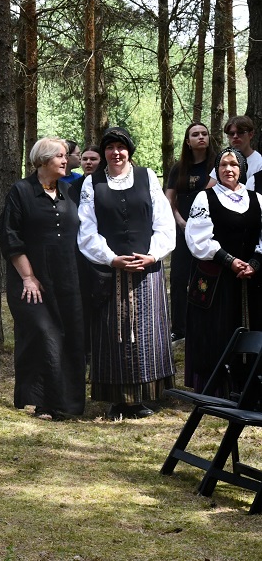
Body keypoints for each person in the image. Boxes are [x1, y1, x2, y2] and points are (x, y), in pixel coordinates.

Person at [77, 126, 175, 419]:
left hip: (147, 269)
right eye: (110, 147)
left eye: (121, 147)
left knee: (147, 333)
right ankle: (118, 400)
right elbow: (86, 229)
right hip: (110, 273)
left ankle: (146, 396)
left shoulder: (147, 177)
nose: (116, 153)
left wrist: (153, 254)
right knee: (112, 334)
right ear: (104, 152)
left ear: (129, 151)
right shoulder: (91, 183)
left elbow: (164, 222)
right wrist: (110, 258)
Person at [0, 137, 85, 420]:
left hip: (68, 278)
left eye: (65, 156)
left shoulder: (70, 191)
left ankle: (67, 403)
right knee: (44, 334)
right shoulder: (21, 191)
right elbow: (10, 237)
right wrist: (28, 278)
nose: (65, 160)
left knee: (69, 334)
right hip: (31, 281)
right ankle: (41, 401)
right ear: (44, 160)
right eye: (60, 156)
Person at [184, 147, 262, 392]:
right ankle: (219, 388)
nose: (229, 169)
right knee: (218, 330)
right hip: (217, 278)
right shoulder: (205, 198)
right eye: (223, 165)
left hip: (251, 278)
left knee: (253, 328)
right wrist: (230, 261)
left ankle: (251, 386)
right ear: (217, 170)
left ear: (242, 169)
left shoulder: (257, 198)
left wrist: (255, 264)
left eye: (234, 165)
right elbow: (198, 239)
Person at [165, 123, 217, 341]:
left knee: (205, 276)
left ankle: (206, 324)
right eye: (195, 134)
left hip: (209, 231)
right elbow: (169, 199)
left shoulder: (216, 165)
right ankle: (179, 328)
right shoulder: (179, 168)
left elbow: (213, 194)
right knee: (178, 278)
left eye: (204, 133)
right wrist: (179, 221)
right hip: (182, 230)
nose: (200, 137)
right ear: (188, 141)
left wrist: (196, 225)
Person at [214, 116, 262, 189]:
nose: (235, 136)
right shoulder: (223, 160)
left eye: (240, 132)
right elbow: (210, 187)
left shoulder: (259, 162)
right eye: (231, 133)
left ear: (251, 134)